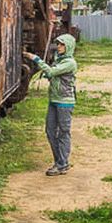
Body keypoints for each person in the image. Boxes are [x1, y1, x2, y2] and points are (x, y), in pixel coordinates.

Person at [23, 34, 78, 176]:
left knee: (63, 133)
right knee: (50, 131)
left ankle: (62, 164)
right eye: (58, 44)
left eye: (61, 44)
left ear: (68, 46)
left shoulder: (70, 63)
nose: (58, 46)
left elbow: (52, 71)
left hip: (64, 103)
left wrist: (35, 58)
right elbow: (53, 74)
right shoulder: (60, 60)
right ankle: (59, 161)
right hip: (54, 100)